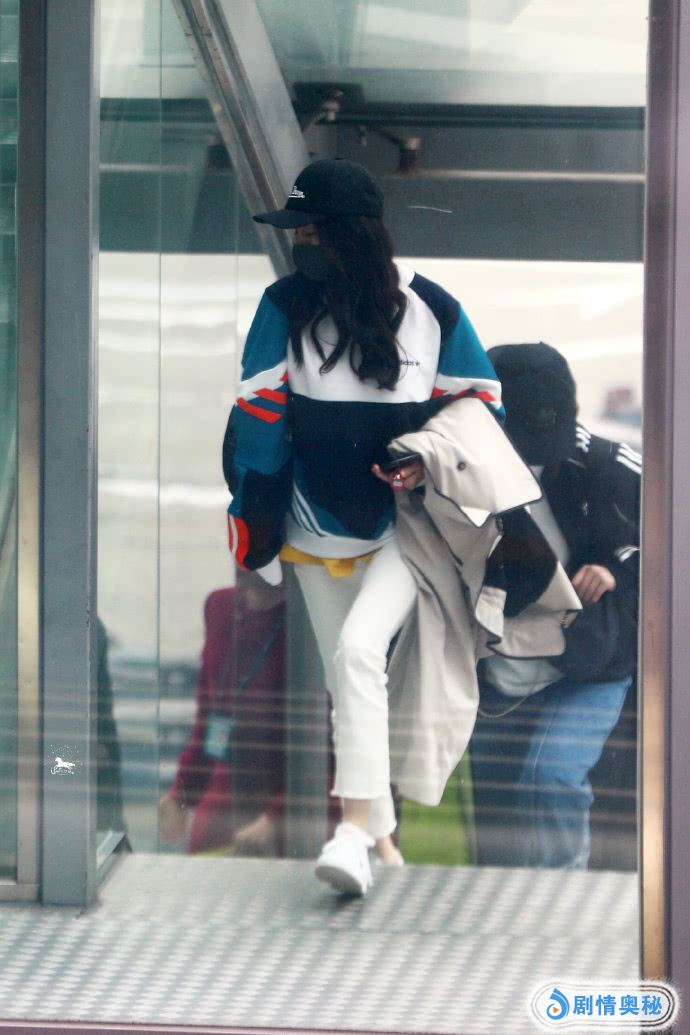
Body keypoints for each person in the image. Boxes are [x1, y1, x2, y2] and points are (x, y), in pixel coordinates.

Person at [222, 158, 503, 894]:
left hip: (407, 529)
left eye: (311, 231)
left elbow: (480, 411)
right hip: (310, 528)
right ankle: (384, 846)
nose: (300, 244)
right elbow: (256, 420)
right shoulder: (283, 305)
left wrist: (422, 462)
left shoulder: (433, 309)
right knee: (348, 682)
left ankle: (349, 833)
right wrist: (254, 521)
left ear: (351, 235)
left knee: (355, 653)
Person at [470, 342, 640, 869]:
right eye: (528, 441)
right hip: (501, 672)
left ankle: (564, 893)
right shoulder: (463, 467)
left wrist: (617, 569)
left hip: (591, 663)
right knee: (498, 822)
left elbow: (673, 533)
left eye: (552, 438)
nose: (541, 455)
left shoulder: (606, 463)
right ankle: (505, 907)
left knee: (554, 776)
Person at [159, 572, 290, 855]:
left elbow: (329, 757)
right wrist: (182, 792)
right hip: (222, 803)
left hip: (285, 813)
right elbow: (210, 714)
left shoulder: (303, 618)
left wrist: (277, 817)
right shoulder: (220, 607)